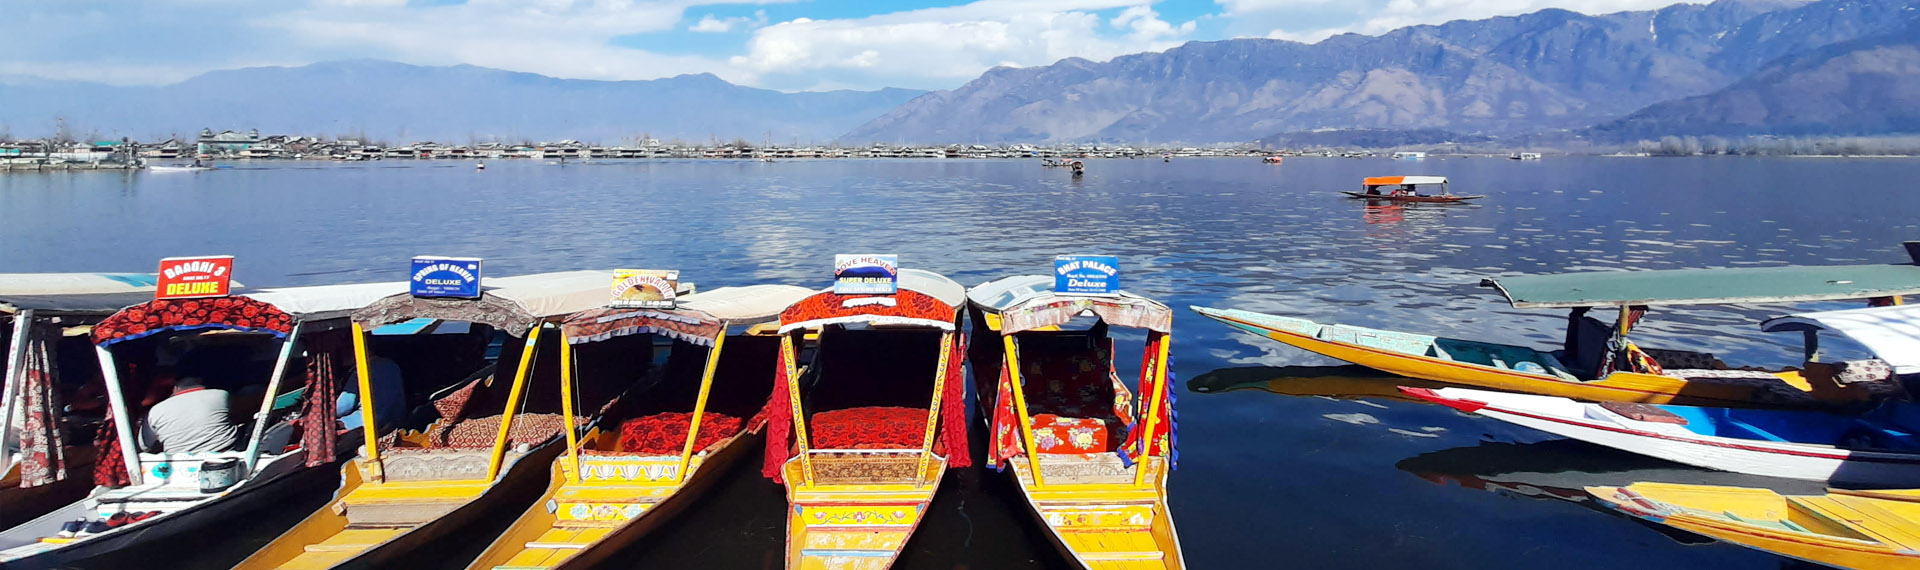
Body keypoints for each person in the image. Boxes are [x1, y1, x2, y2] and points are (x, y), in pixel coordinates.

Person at [141, 375, 240, 453]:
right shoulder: (221, 395)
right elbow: (242, 416)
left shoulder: (154, 411)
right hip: (225, 457)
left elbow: (144, 446)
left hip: (178, 465)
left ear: (175, 388)